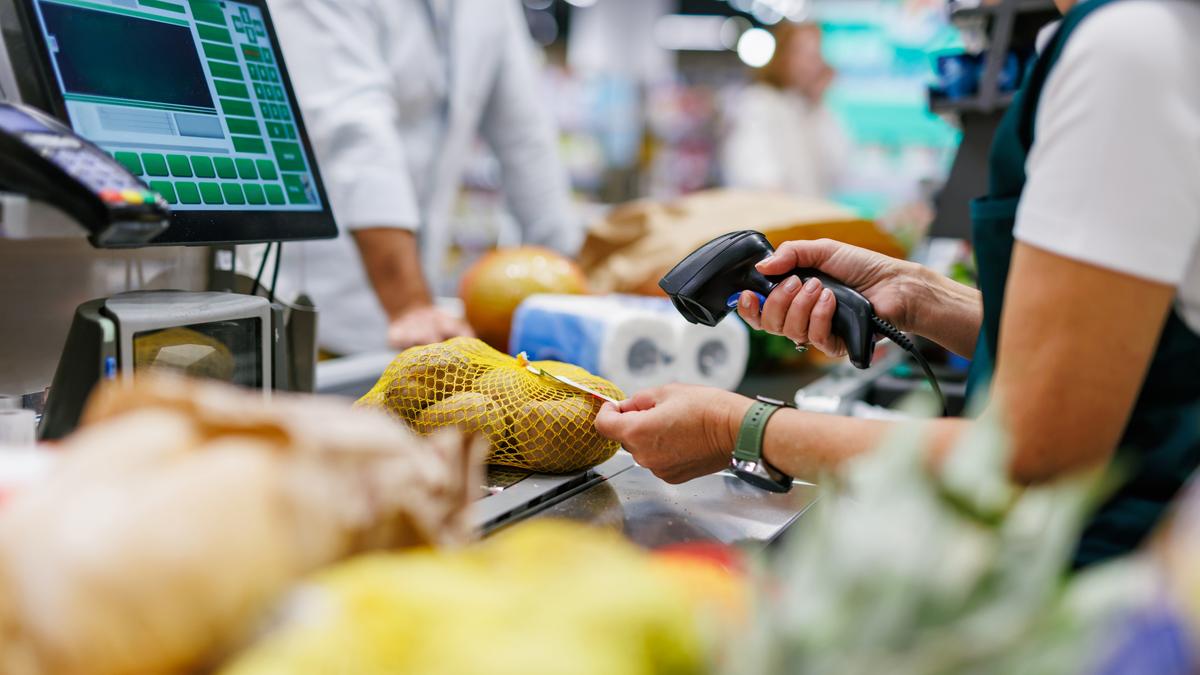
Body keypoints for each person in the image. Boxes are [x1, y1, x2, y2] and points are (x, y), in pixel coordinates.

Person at [597, 0, 1200, 567]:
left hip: (1115, 578)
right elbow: (1105, 349)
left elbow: (1029, 460)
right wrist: (920, 295)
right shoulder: (1129, 39)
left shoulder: (1124, 50)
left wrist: (737, 428)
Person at [271, 0, 580, 354]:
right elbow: (355, 136)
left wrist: (575, 295)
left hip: (421, 313)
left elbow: (526, 140)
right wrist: (409, 306)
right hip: (324, 318)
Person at [721, 21, 850, 199]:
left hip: (807, 216)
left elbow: (837, 169)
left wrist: (818, 104)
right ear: (783, 55)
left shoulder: (811, 109)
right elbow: (756, 169)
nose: (811, 64)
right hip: (778, 216)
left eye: (815, 55)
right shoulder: (759, 101)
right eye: (803, 54)